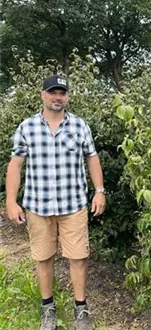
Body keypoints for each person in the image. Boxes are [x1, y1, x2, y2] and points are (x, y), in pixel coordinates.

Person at [5, 74, 106, 330]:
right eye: (53, 92)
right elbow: (16, 165)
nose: (57, 97)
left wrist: (99, 191)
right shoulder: (27, 127)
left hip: (73, 204)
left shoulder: (80, 126)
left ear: (67, 97)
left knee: (79, 257)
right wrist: (11, 201)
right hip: (38, 206)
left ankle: (81, 310)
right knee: (43, 257)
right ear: (43, 95)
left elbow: (91, 158)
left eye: (62, 92)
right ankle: (47, 308)